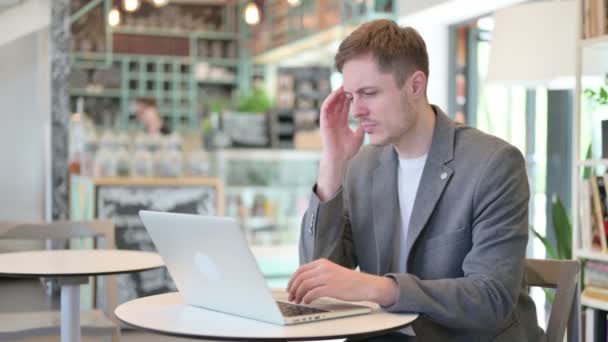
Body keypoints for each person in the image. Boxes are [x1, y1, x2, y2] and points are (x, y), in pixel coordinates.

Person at [286, 19, 545, 341]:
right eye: (351, 97)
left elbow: (491, 300)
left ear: (415, 85)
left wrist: (379, 287)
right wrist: (333, 163)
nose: (357, 111)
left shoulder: (493, 164)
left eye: (369, 93)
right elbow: (315, 279)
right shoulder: (363, 165)